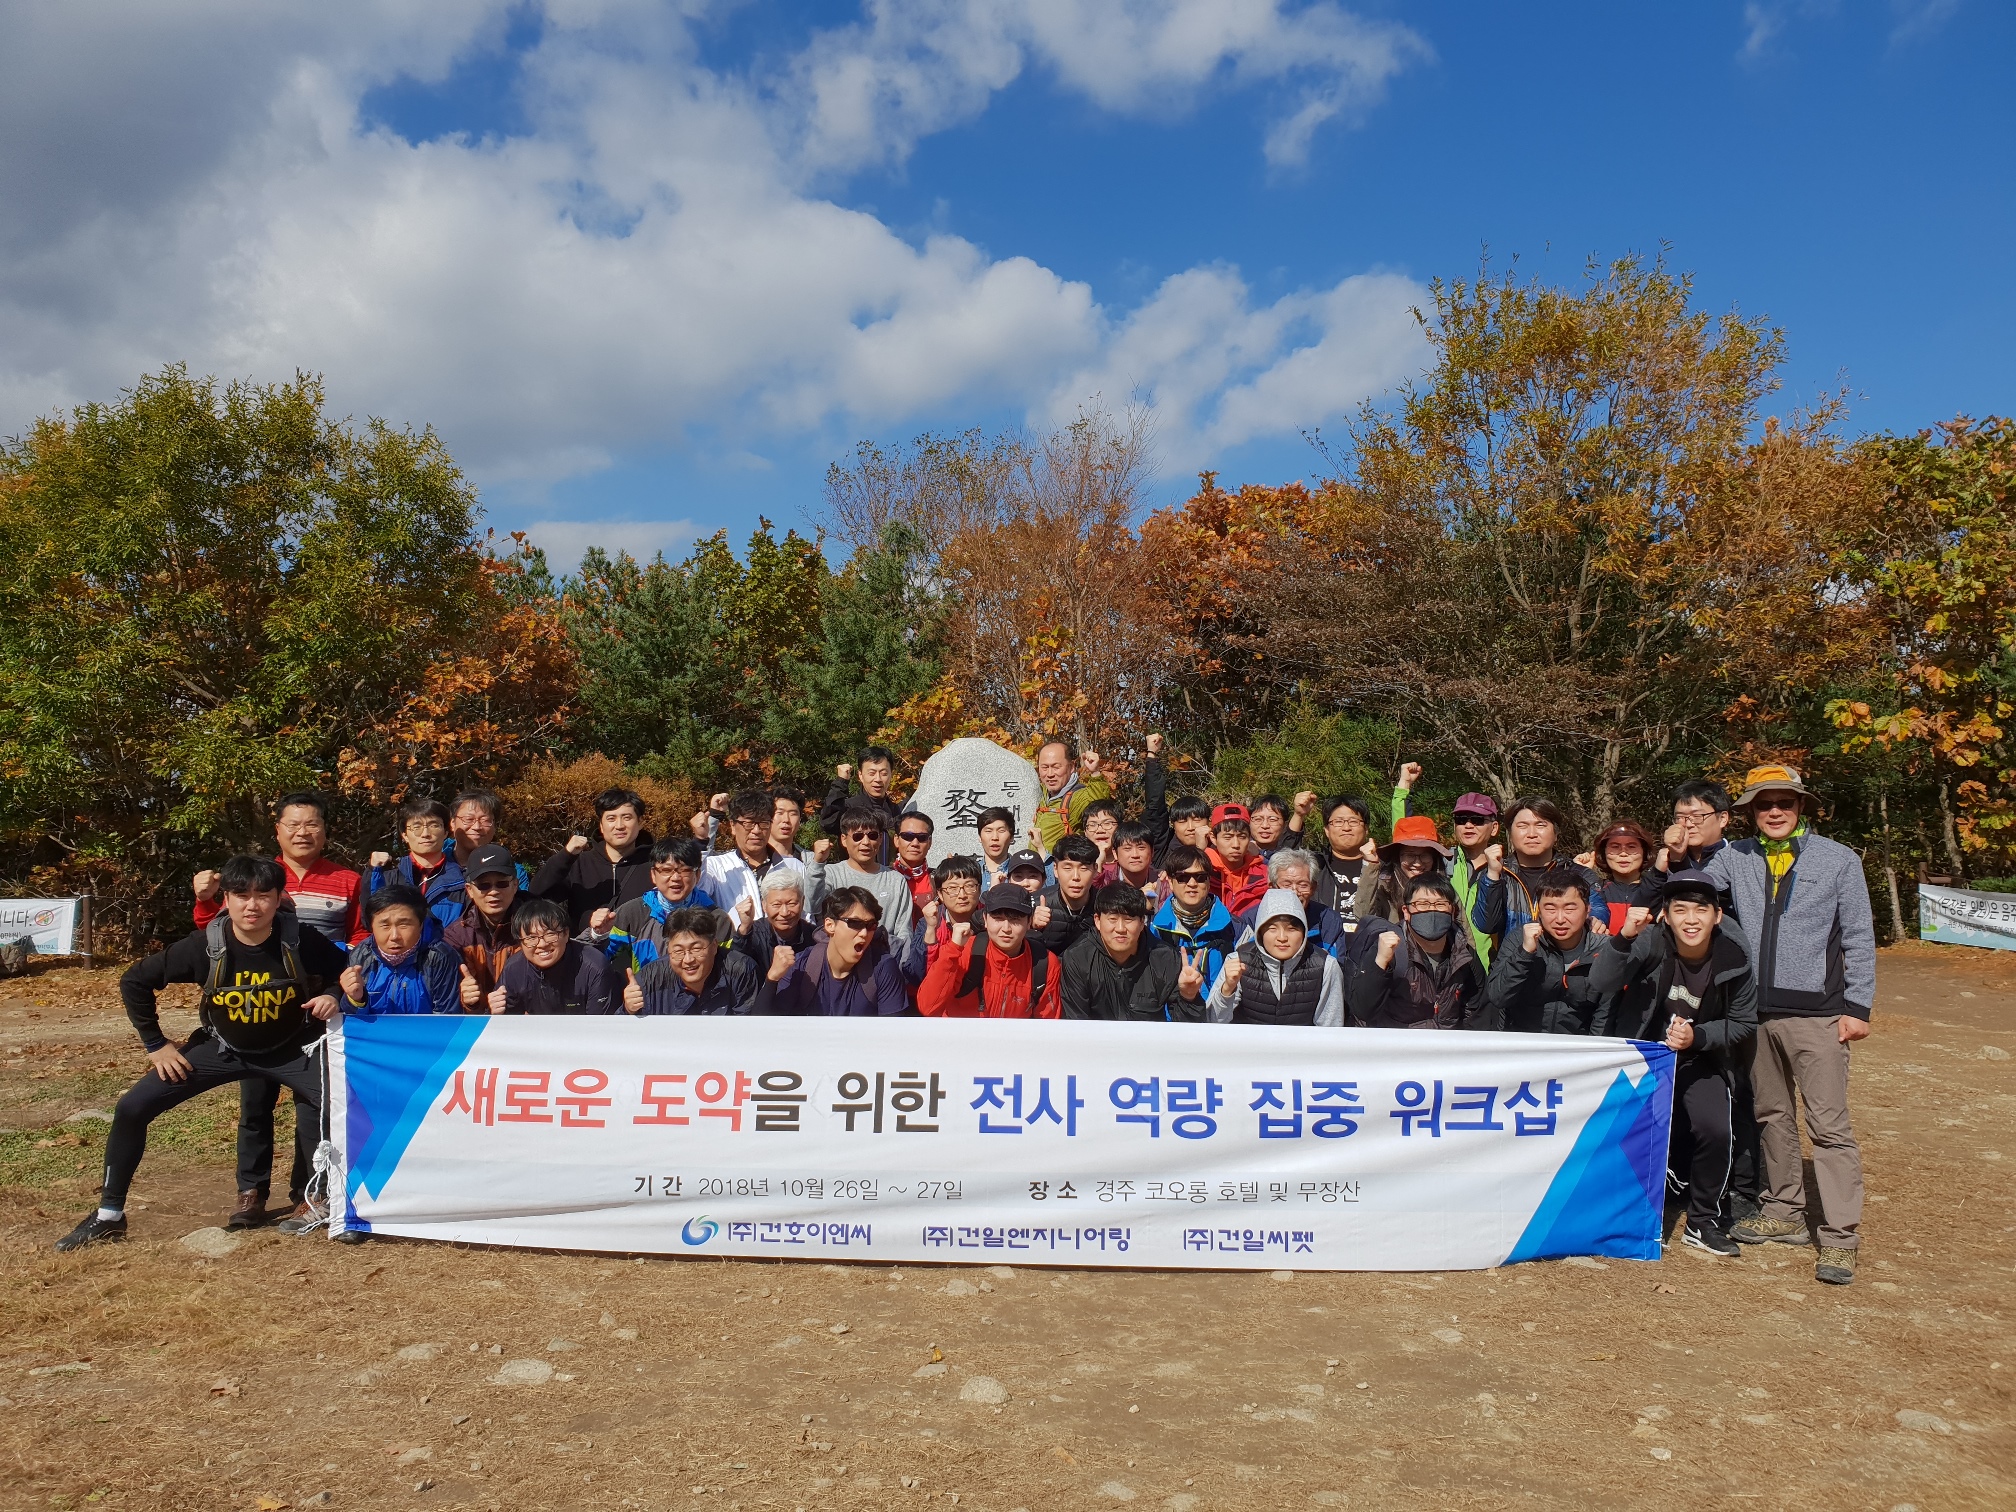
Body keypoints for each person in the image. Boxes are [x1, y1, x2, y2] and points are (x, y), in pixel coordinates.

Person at [58, 856, 345, 1251]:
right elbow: (135, 981)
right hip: (221, 1049)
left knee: (341, 1107)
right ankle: (108, 1216)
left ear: (280, 899)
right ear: (225, 899)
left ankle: (325, 1199)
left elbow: (346, 971)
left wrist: (333, 994)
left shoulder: (300, 939)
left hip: (291, 1049)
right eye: (241, 895)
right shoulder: (204, 945)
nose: (252, 905)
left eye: (264, 895)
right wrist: (157, 1045)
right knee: (132, 1107)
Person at [1708, 766, 1876, 1287]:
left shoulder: (1838, 859)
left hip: (1820, 1014)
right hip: (1755, 1012)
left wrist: (1858, 1007)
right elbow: (1690, 891)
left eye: (1784, 802)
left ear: (1801, 807)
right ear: (1750, 813)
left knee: (1829, 1127)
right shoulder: (1734, 856)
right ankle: (1783, 1213)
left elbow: (1858, 936)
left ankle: (1841, 1237)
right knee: (1771, 1115)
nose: (1774, 811)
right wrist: (1672, 848)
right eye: (1763, 804)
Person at [191, 790, 362, 1230]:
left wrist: (336, 983)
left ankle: (309, 1193)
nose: (303, 832)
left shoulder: (347, 879)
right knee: (255, 1105)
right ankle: (251, 1193)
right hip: (253, 1008)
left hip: (312, 1013)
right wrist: (205, 900)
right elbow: (213, 936)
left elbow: (359, 939)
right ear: (278, 831)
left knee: (312, 1104)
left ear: (324, 831)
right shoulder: (257, 877)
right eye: (294, 824)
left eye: (312, 824)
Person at [1591, 870, 1759, 1258]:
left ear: (1717, 916)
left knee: (1715, 1129)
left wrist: (1698, 1037)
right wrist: (1624, 937)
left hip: (1701, 1056)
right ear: (1666, 915)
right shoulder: (1650, 940)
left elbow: (1744, 1022)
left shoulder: (1734, 956)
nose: (1691, 919)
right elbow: (1601, 982)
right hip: (1645, 1055)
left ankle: (1703, 1221)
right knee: (1625, 1130)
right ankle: (1620, 1212)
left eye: (1701, 910)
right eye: (1680, 910)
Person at [1348, 876, 1494, 1030]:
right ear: (1406, 911)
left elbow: (1477, 1011)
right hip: (1396, 1048)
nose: (1431, 910)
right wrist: (1380, 963)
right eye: (1422, 904)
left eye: (1440, 904)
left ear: (1452, 911)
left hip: (1446, 1048)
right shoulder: (1389, 949)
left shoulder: (1464, 953)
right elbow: (1364, 1010)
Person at [1482, 871, 1612, 1036]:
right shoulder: (1518, 939)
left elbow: (1604, 1016)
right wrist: (1525, 953)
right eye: (1550, 908)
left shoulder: (1603, 950)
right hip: (1521, 1044)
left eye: (1570, 909)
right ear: (1538, 910)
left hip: (1577, 1049)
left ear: (1587, 910)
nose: (1559, 919)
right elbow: (1498, 996)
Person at [1471, 798, 1603, 955]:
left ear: (1555, 834)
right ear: (1510, 833)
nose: (1531, 834)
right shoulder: (1493, 874)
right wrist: (1493, 875)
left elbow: (1598, 908)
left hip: (1566, 968)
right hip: (1512, 968)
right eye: (1522, 826)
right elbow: (1486, 925)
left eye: (1540, 825)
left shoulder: (1578, 873)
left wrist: (1595, 919)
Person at [1059, 884, 1202, 1022]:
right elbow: (1076, 1025)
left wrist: (1188, 997)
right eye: (1112, 919)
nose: (1120, 928)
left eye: (1129, 919)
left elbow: (1187, 1034)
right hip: (1098, 1044)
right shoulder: (1077, 959)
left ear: (1142, 922)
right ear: (1097, 920)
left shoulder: (1165, 958)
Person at [918, 884, 1062, 1018]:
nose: (1006, 928)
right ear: (985, 920)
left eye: (1015, 920)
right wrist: (953, 949)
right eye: (998, 919)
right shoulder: (964, 952)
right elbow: (928, 1008)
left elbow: (1047, 1026)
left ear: (1029, 922)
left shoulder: (1045, 964)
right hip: (962, 1041)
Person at [1207, 890, 1347, 1027]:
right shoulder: (1238, 960)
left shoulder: (1326, 966)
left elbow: (1331, 1029)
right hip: (1248, 1047)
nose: (1282, 938)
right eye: (1272, 929)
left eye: (1291, 929)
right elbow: (1214, 1022)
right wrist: (1227, 989)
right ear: (1260, 931)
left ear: (1304, 931)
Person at [764, 887, 911, 1017]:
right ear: (829, 925)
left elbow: (892, 1036)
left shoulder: (883, 968)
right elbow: (763, 1028)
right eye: (855, 923)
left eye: (871, 925)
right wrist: (772, 979)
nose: (864, 933)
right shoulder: (803, 966)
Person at [531, 787, 655, 931]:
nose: (619, 826)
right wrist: (565, 855)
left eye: (627, 818)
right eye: (611, 818)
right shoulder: (579, 863)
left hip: (642, 951)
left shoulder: (656, 864)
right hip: (586, 951)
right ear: (601, 826)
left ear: (640, 822)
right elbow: (536, 894)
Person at [337, 885, 464, 1017]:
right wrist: (356, 999)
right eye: (385, 925)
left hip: (425, 1036)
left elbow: (447, 1019)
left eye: (404, 924)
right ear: (372, 927)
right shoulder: (361, 955)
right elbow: (353, 1022)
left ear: (420, 924)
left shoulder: (440, 957)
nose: (394, 936)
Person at [603, 838, 722, 970]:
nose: (676, 878)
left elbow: (728, 969)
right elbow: (596, 957)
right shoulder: (632, 913)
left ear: (698, 875)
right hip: (646, 989)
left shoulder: (717, 918)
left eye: (685, 870)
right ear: (653, 874)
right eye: (666, 870)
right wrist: (597, 934)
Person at [620, 906, 761, 1015]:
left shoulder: (741, 971)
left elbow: (748, 1031)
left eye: (696, 949)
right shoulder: (650, 978)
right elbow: (619, 1034)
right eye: (678, 951)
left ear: (714, 946)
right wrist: (629, 1010)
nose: (688, 959)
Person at [811, 804, 916, 945]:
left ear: (880, 839)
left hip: (884, 959)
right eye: (857, 836)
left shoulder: (896, 880)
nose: (866, 842)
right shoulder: (831, 874)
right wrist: (817, 864)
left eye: (872, 836)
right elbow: (812, 907)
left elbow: (904, 932)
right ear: (843, 839)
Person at [701, 790, 803, 934]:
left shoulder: (794, 867)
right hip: (734, 952)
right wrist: (701, 839)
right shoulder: (717, 866)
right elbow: (694, 888)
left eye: (763, 823)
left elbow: (807, 916)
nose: (756, 830)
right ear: (732, 826)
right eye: (748, 823)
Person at [442, 844, 526, 1015]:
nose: (493, 892)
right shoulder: (454, 938)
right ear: (469, 890)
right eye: (483, 886)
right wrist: (469, 1002)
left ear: (515, 885)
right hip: (477, 1031)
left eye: (502, 884)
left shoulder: (535, 931)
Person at [499, 899, 620, 1015]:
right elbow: (505, 1026)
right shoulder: (513, 968)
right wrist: (497, 1014)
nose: (542, 944)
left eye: (550, 934)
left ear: (566, 933)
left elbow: (601, 1028)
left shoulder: (594, 967)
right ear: (520, 942)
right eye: (531, 938)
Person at [1147, 844, 1238, 993]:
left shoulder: (1234, 927)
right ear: (1170, 881)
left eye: (1200, 877)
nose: (1192, 884)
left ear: (1209, 882)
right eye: (1182, 877)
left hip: (1221, 1012)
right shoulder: (1155, 929)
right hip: (1173, 1014)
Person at [368, 796, 467, 933]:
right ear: (404, 835)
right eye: (417, 827)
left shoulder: (463, 882)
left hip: (446, 952)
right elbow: (368, 922)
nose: (425, 834)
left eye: (434, 825)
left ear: (445, 832)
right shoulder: (387, 877)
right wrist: (372, 871)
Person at [1237, 849, 1349, 960]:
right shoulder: (1252, 919)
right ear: (1272, 887)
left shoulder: (1328, 921)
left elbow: (1337, 966)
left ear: (1313, 888)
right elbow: (1242, 960)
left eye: (1303, 885)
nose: (1295, 892)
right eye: (1287, 884)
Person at [1357, 815, 1452, 927]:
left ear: (1434, 857)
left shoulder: (1445, 889)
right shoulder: (1384, 888)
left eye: (1425, 855)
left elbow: (1464, 935)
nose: (1417, 863)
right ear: (1398, 857)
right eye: (1409, 855)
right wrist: (1371, 866)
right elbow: (1363, 916)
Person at [820, 747, 903, 862]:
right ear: (860, 775)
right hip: (855, 877)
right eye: (871, 773)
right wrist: (841, 782)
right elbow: (828, 822)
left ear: (891, 775)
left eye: (884, 773)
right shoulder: (849, 808)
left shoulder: (896, 811)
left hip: (887, 876)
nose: (878, 779)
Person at [1310, 797, 1381, 929]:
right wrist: (1298, 816)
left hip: (1372, 946)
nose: (1346, 827)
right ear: (1327, 830)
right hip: (1323, 946)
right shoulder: (1315, 866)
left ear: (1366, 829)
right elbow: (1282, 859)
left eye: (1353, 821)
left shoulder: (1382, 869)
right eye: (1338, 822)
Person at [1032, 740, 1113, 854]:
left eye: (1056, 767)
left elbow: (1099, 803)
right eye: (1044, 767)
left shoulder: (1077, 797)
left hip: (1061, 868)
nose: (1050, 774)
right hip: (1033, 868)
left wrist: (1095, 772)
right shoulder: (1042, 793)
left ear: (1071, 767)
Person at [1036, 834, 1101, 954]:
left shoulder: (1105, 905)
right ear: (1055, 869)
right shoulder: (1036, 904)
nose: (1075, 877)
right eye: (1067, 868)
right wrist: (1030, 927)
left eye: (1084, 868)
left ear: (1095, 870)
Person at [747, 870, 818, 981]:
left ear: (802, 902)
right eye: (776, 905)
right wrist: (743, 932)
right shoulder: (750, 936)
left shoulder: (815, 938)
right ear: (764, 905)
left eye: (791, 904)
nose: (784, 912)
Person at [1588, 820, 1658, 930]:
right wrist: (1581, 873)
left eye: (1631, 846)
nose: (1623, 853)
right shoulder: (1596, 890)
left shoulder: (1656, 889)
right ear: (1603, 853)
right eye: (1615, 847)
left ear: (1644, 852)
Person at [1206, 805, 1271, 917]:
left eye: (1242, 837)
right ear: (1213, 838)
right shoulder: (1201, 873)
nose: (1236, 845)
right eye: (1227, 837)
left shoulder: (1265, 875)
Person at [925, 855, 985, 970]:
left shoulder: (992, 920)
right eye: (953, 888)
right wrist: (930, 931)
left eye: (969, 886)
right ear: (940, 894)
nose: (962, 895)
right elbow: (917, 974)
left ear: (979, 889)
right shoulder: (929, 922)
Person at [1101, 819, 1163, 899]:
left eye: (1141, 848)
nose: (1135, 855)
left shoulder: (1162, 882)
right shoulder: (1103, 881)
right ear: (1115, 853)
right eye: (1127, 848)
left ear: (1152, 852)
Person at [889, 811, 938, 911]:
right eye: (908, 836)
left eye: (922, 837)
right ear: (896, 840)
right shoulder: (882, 877)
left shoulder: (939, 879)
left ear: (930, 842)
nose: (915, 843)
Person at [973, 807, 1019, 889]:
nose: (995, 837)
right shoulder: (970, 873)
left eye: (1001, 831)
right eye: (988, 831)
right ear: (980, 837)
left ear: (1011, 837)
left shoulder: (1021, 873)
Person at [770, 785, 814, 863]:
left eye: (793, 814)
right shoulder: (753, 858)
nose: (786, 820)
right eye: (780, 813)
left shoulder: (811, 861)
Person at [1079, 798, 1122, 872]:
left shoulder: (1130, 861)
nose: (1100, 830)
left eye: (1107, 823)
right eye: (1092, 824)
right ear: (1085, 832)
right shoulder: (1077, 863)